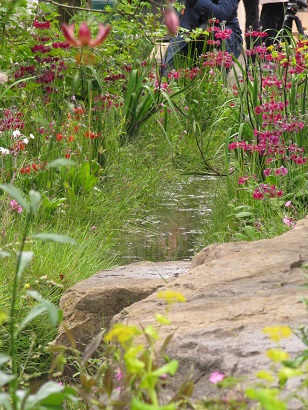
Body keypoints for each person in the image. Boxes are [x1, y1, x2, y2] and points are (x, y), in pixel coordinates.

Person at [162, 0, 242, 74]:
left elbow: (220, 14)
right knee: (166, 73)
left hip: (221, 33)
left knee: (210, 78)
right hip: (188, 32)